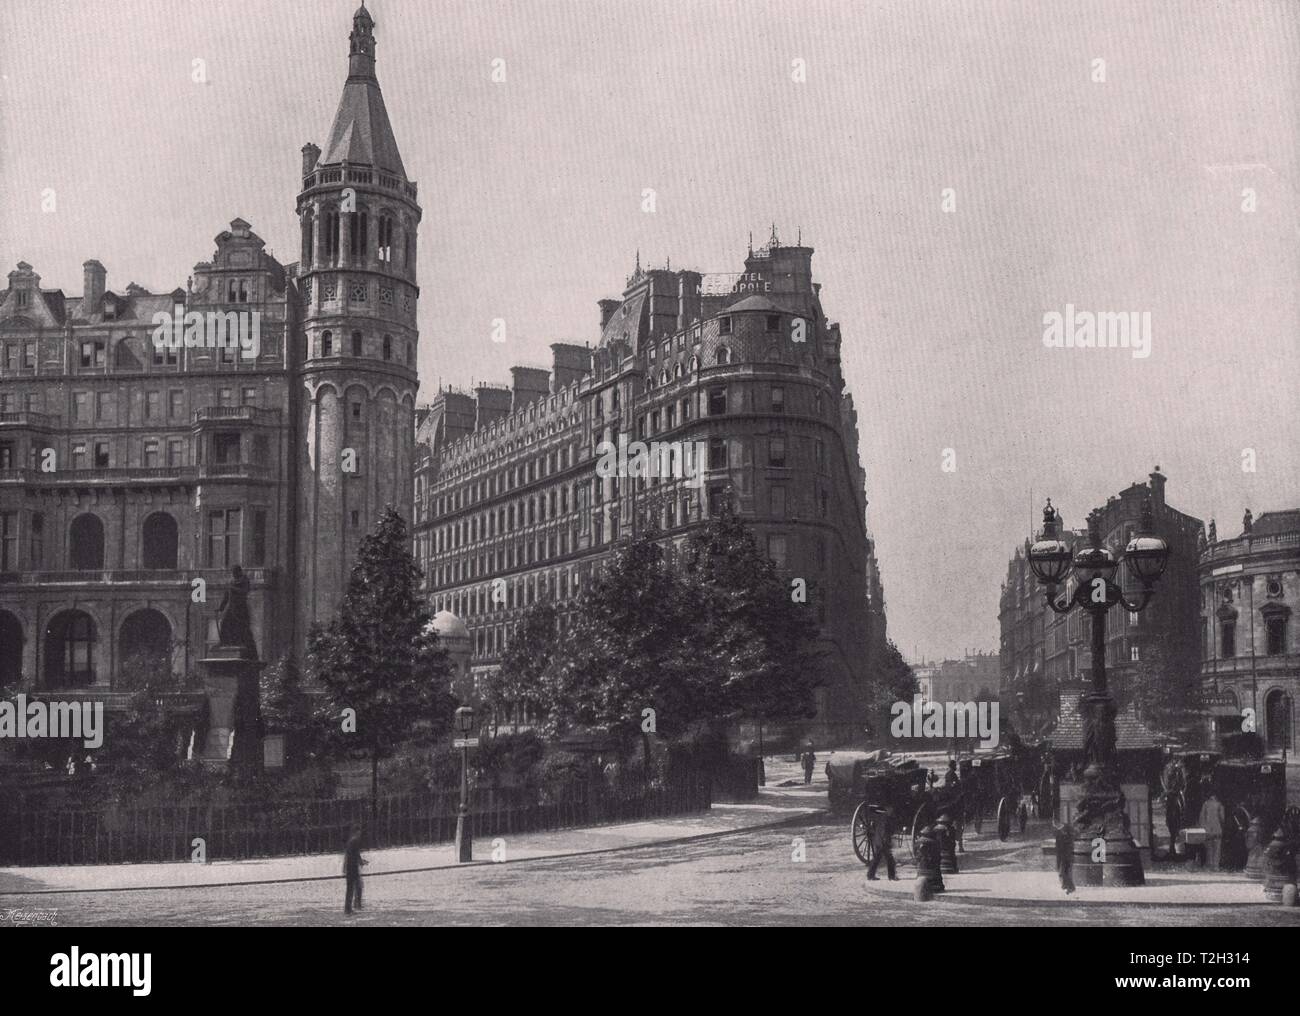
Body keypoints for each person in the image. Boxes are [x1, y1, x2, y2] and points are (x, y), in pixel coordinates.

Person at [866, 805, 898, 881]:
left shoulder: (879, 817)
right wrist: (886, 840)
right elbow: (886, 831)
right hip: (884, 841)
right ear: (888, 809)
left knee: (877, 858)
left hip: (878, 840)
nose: (891, 811)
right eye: (891, 810)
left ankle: (870, 875)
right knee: (890, 859)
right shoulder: (887, 818)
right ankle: (892, 876)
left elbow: (875, 828)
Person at [343, 826, 368, 915]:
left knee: (353, 887)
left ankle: (351, 907)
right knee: (356, 887)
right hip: (353, 867)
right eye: (359, 832)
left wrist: (344, 867)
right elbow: (356, 854)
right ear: (357, 831)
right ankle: (353, 906)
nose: (360, 834)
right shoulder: (355, 841)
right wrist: (361, 862)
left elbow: (349, 854)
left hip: (350, 867)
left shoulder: (350, 841)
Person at [1053, 820, 1076, 895]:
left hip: (1065, 856)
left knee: (1064, 871)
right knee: (1064, 871)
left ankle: (1070, 887)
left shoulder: (1061, 834)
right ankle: (1065, 885)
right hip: (1064, 855)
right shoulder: (1060, 833)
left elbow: (1060, 847)